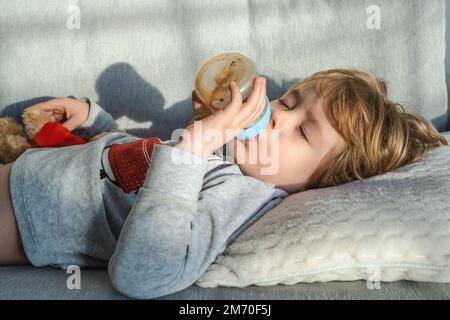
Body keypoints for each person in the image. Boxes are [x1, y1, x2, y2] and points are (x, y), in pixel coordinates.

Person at [0, 68, 447, 299]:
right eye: (288, 101)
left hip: (19, 222)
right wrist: (93, 120)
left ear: (321, 183)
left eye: (303, 132)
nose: (278, 118)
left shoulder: (241, 196)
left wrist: (194, 149)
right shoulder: (226, 153)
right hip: (28, 168)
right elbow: (133, 164)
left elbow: (143, 276)